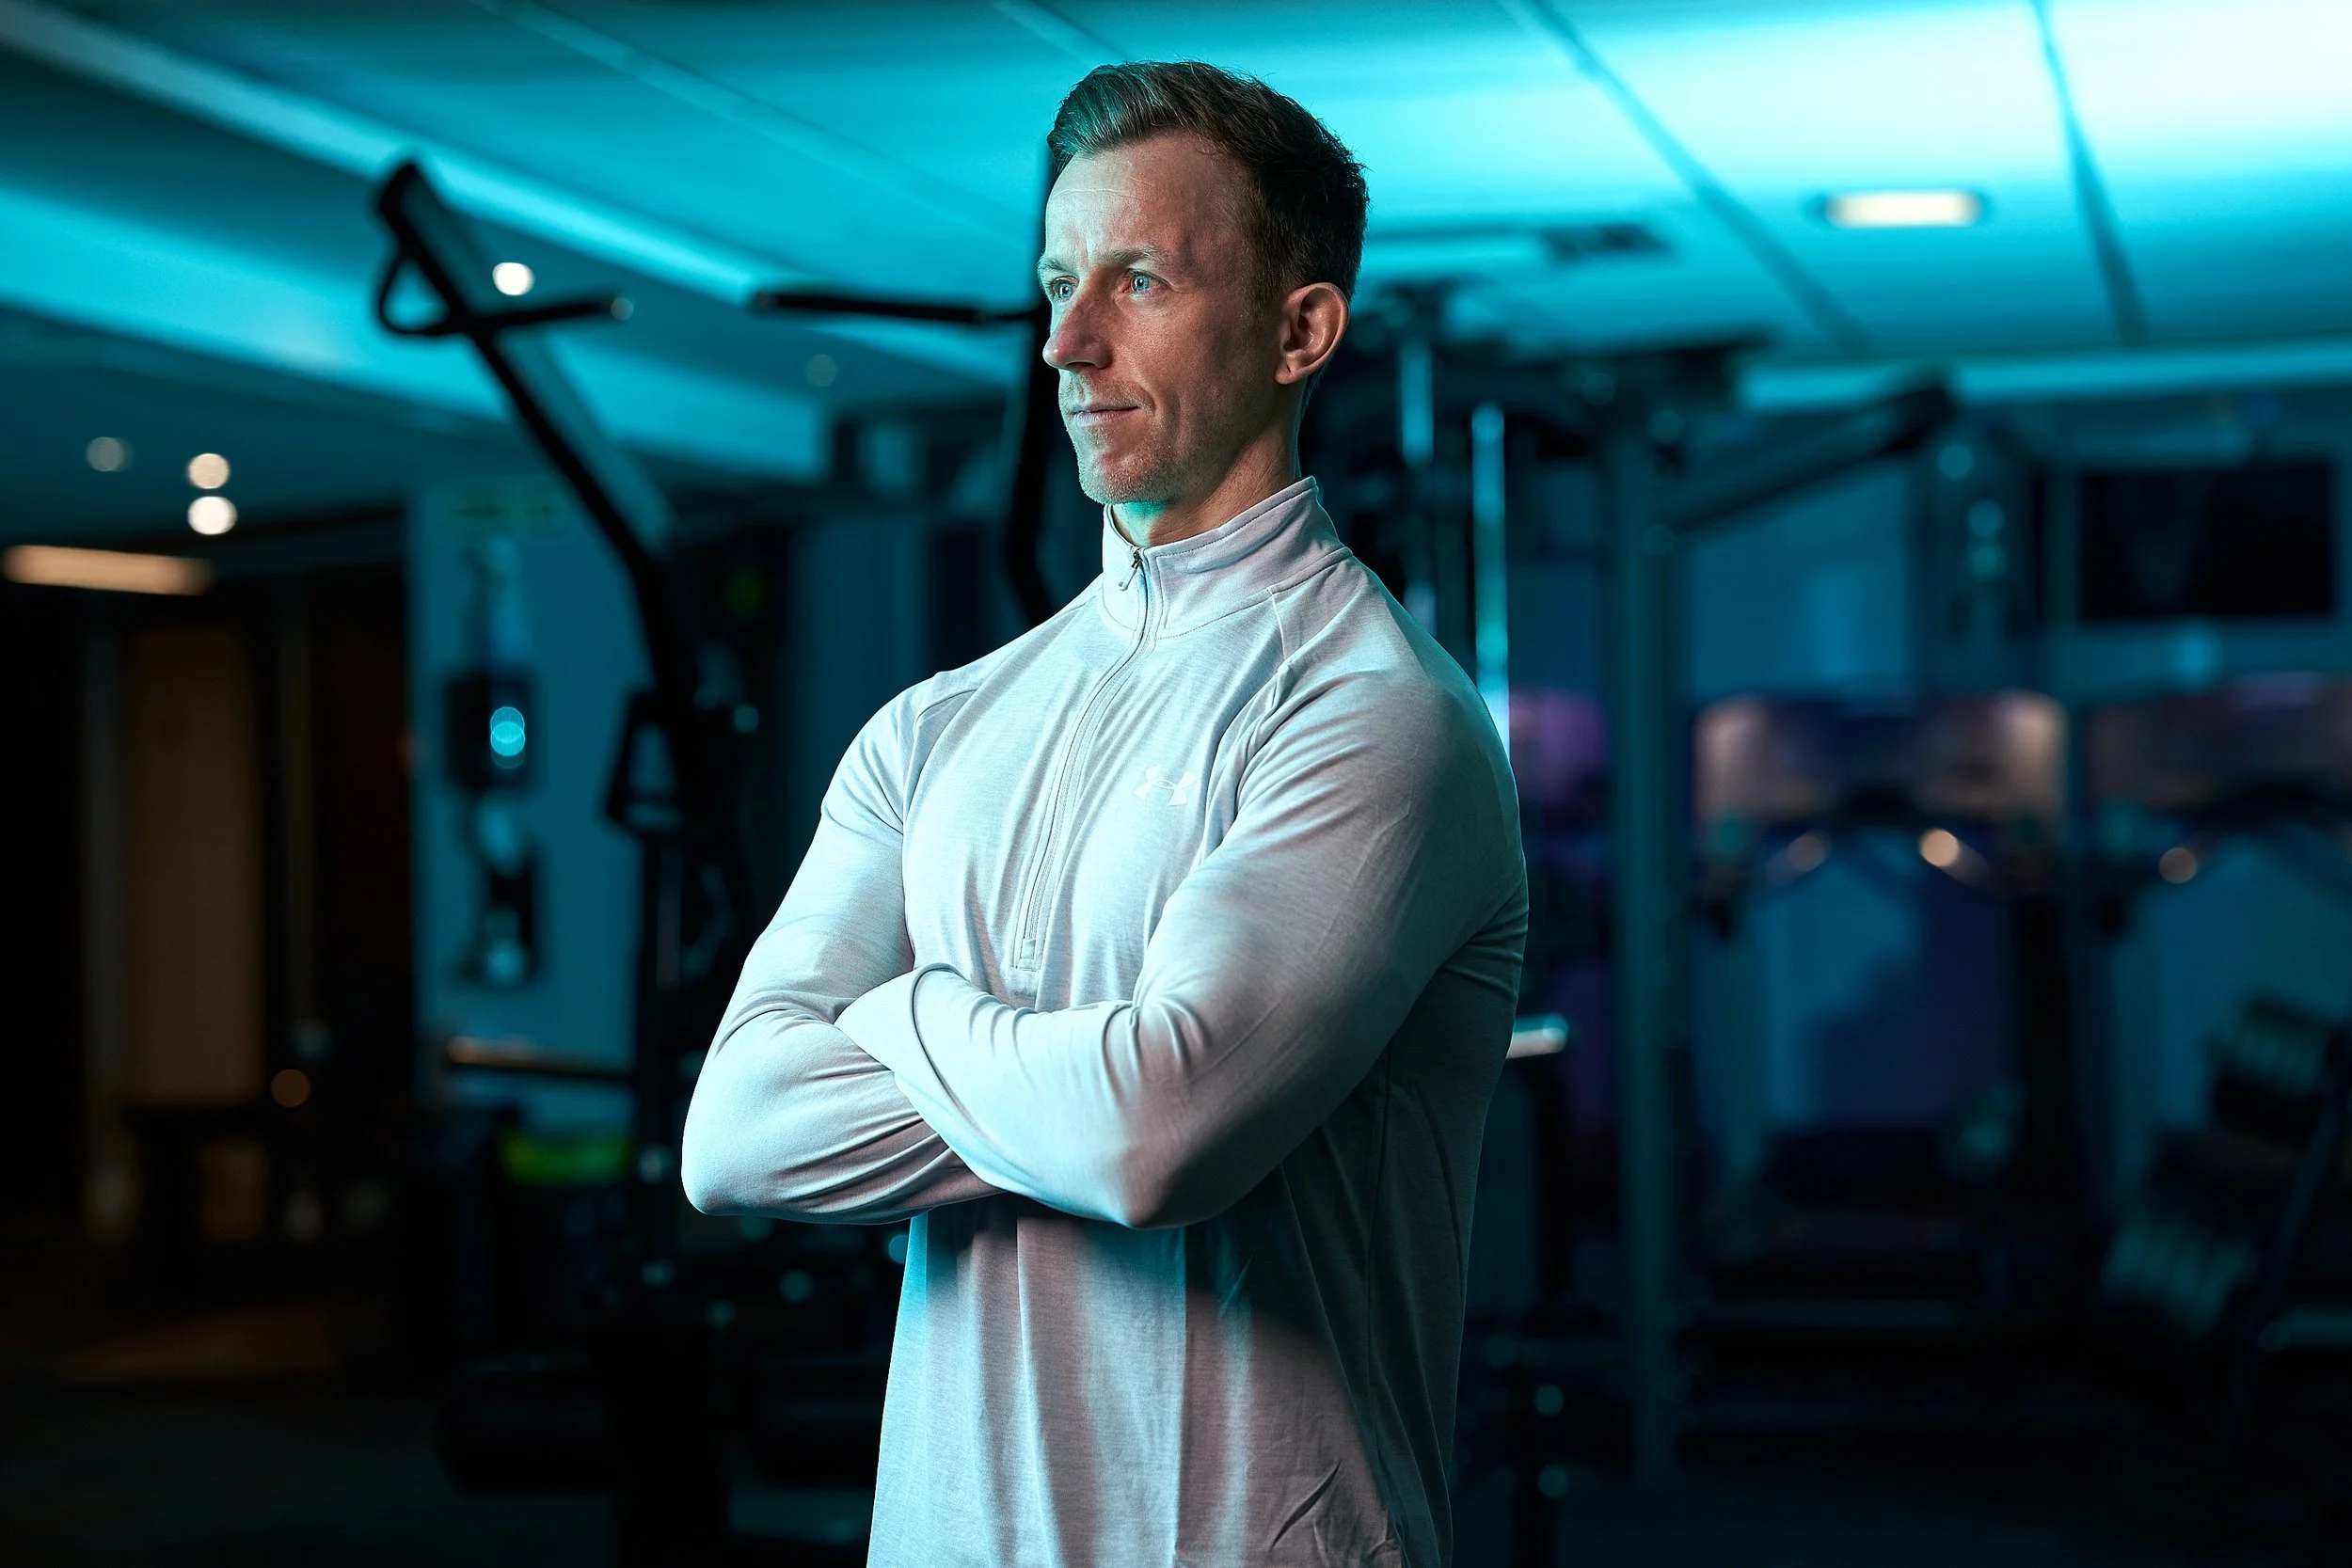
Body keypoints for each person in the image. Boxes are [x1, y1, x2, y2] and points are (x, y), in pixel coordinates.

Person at [682, 60, 1527, 1568]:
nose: (1070, 343)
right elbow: (735, 1135)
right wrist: (1084, 1074)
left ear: (1298, 330)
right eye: (1060, 283)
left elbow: (1153, 1140)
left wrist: (901, 1012)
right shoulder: (936, 725)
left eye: (1137, 279)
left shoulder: (1374, 712)